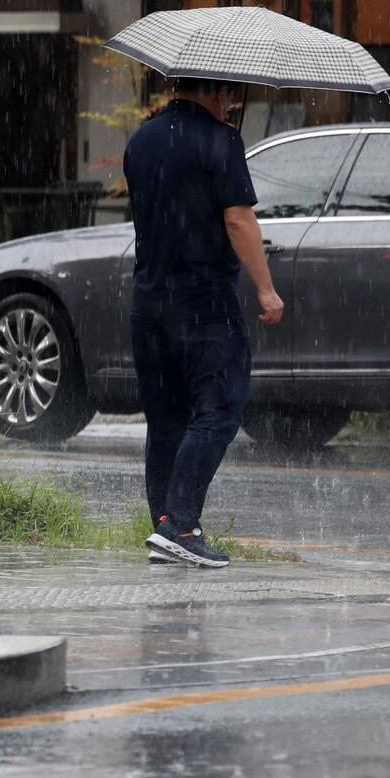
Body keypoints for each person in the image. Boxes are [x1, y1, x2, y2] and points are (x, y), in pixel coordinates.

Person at [123, 76, 284, 568]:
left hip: (149, 301)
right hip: (203, 303)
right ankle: (181, 524)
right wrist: (265, 288)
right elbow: (238, 219)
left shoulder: (141, 140)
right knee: (218, 410)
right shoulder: (223, 141)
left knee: (166, 418)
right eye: (229, 95)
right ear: (217, 92)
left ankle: (165, 530)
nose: (231, 104)